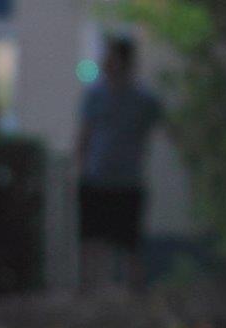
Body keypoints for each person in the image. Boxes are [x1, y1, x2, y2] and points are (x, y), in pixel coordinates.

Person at [76, 35, 163, 295]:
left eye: (111, 56)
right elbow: (85, 134)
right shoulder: (95, 95)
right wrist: (80, 167)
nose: (106, 62)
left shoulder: (143, 99)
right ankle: (90, 290)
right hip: (96, 177)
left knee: (130, 241)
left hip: (128, 179)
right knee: (92, 240)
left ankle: (134, 293)